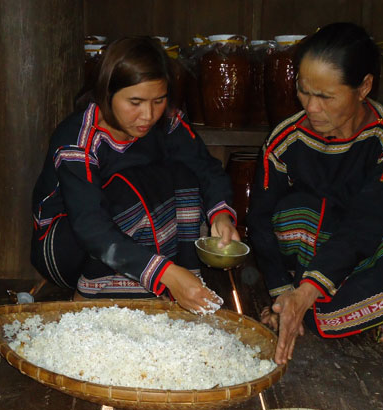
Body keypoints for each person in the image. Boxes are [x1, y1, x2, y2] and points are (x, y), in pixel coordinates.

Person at [247, 22, 383, 365]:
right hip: (305, 251)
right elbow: (258, 218)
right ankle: (344, 310)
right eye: (303, 91)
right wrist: (282, 292)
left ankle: (360, 306)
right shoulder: (285, 139)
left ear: (364, 87)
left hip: (365, 246)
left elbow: (364, 224)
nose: (311, 107)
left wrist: (308, 291)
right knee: (294, 213)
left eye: (326, 96)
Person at [30, 36, 240, 314]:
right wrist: (166, 273)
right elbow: (91, 227)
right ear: (107, 93)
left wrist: (221, 214)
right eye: (135, 102)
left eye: (159, 100)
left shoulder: (167, 122)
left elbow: (205, 167)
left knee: (184, 174)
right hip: (69, 248)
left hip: (129, 245)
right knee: (126, 188)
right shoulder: (78, 141)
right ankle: (93, 295)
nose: (148, 115)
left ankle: (180, 281)